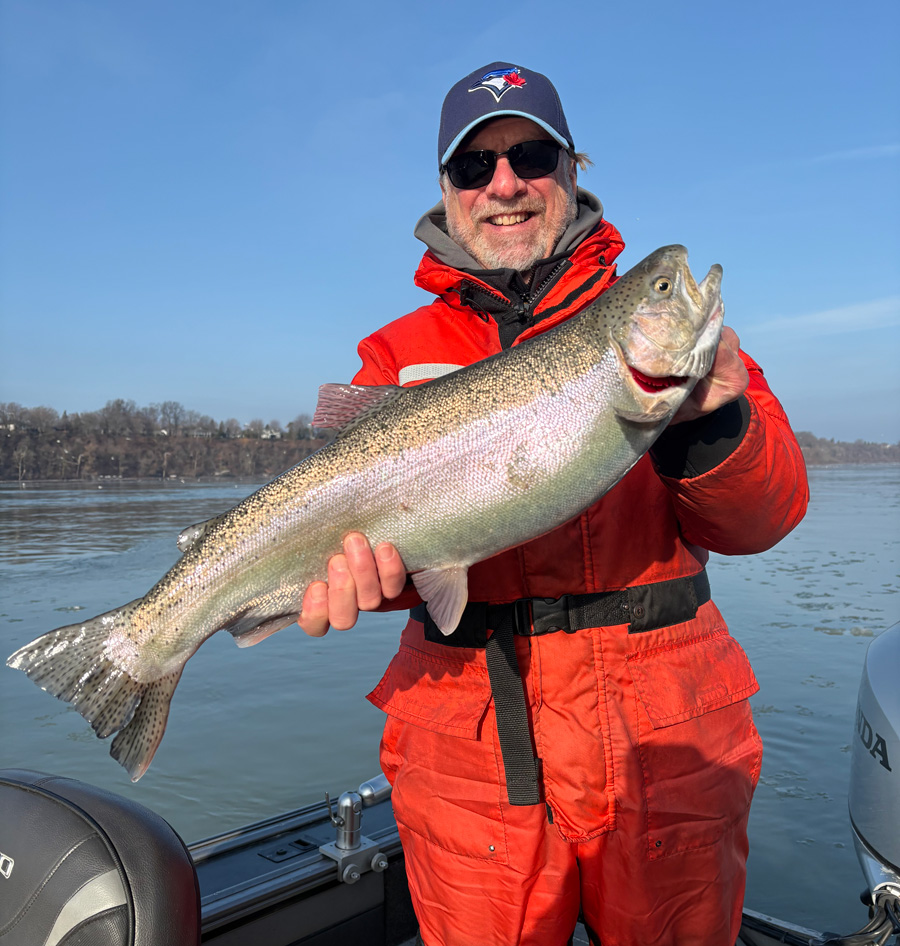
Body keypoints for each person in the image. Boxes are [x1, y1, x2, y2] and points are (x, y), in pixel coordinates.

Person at [298, 63, 809, 946]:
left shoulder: (682, 347)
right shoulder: (395, 354)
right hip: (469, 749)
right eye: (475, 166)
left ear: (572, 169)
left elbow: (765, 518)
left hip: (665, 740)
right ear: (449, 191)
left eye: (530, 155)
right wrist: (366, 581)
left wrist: (710, 422)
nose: (505, 184)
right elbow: (402, 570)